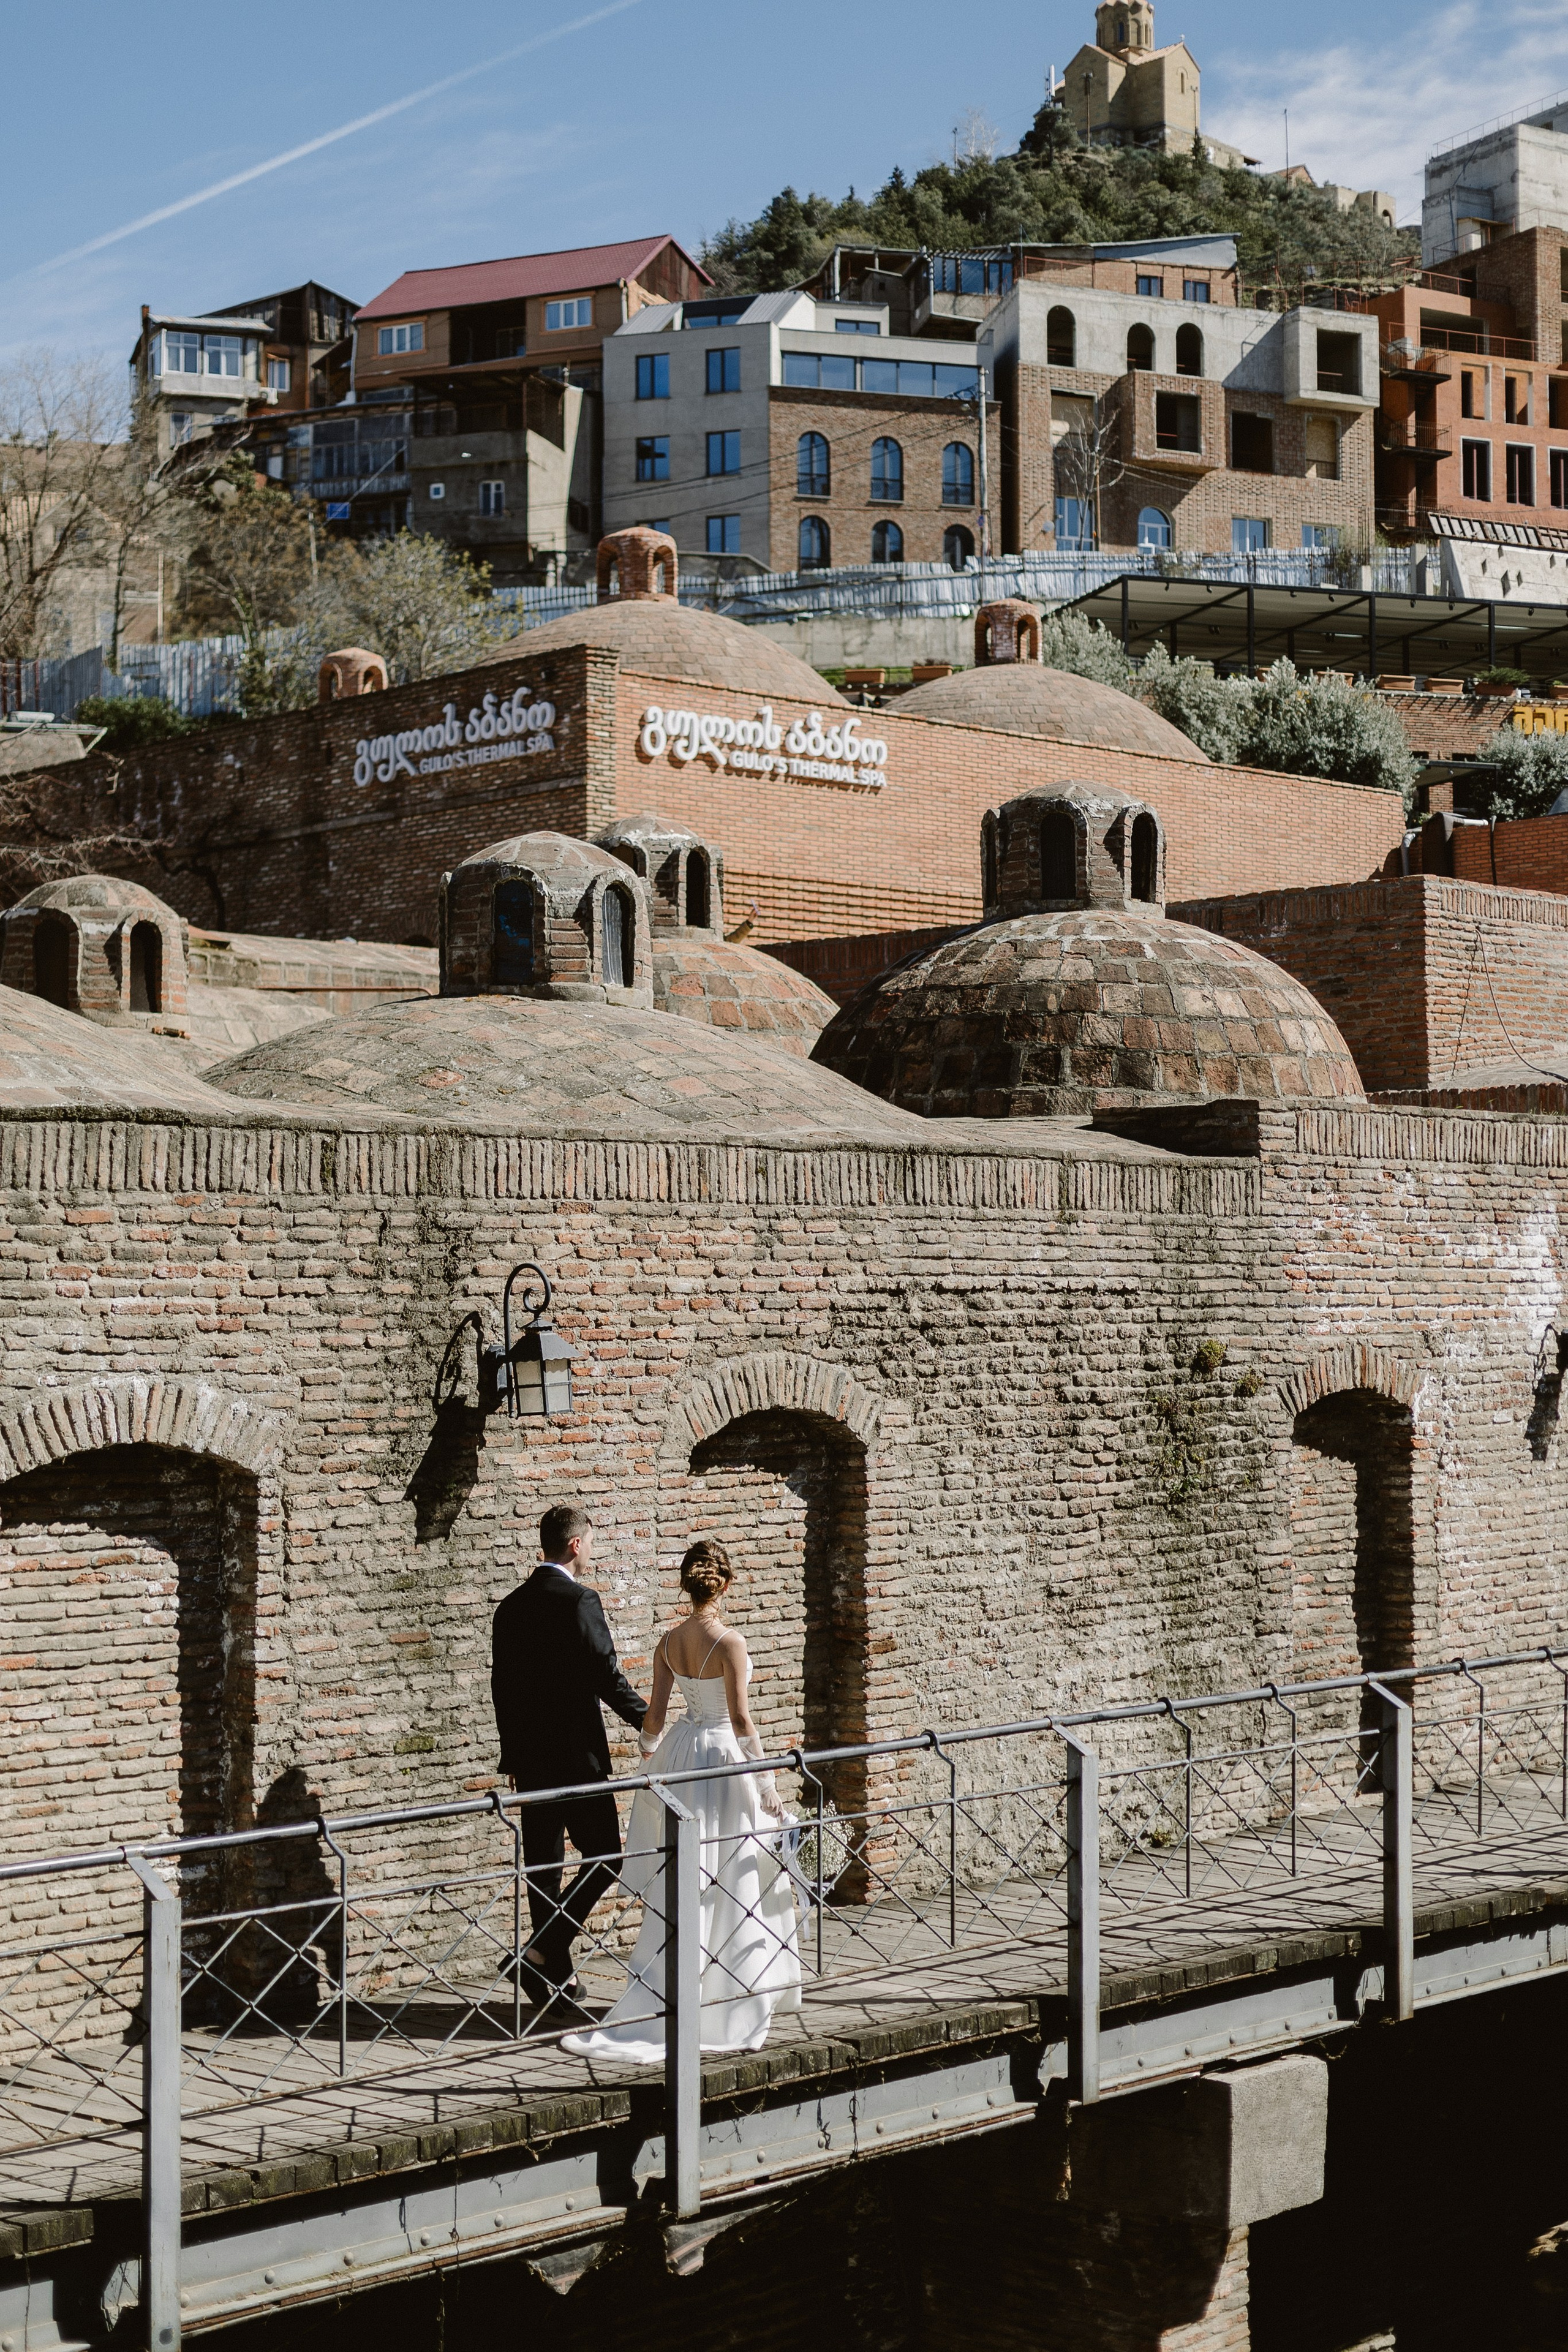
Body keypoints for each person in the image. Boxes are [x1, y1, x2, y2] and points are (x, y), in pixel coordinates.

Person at [563, 1539, 801, 2064]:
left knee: (688, 1875)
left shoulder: (669, 1641)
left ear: (685, 1584)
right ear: (727, 1584)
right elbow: (741, 1720)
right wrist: (766, 1784)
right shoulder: (732, 1642)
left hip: (683, 1752)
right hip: (721, 1759)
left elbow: (653, 1718)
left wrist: (649, 1759)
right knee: (730, 1873)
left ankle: (673, 1997)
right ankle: (728, 2003)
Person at [491, 1502, 647, 2002]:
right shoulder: (580, 1601)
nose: (592, 1552)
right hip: (577, 1759)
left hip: (531, 1762)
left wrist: (513, 1757)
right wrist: (650, 1721)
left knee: (544, 1862)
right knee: (605, 1856)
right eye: (591, 1543)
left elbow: (504, 1690)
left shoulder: (510, 1606)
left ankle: (550, 1974)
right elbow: (605, 1676)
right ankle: (543, 1949)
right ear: (576, 1544)